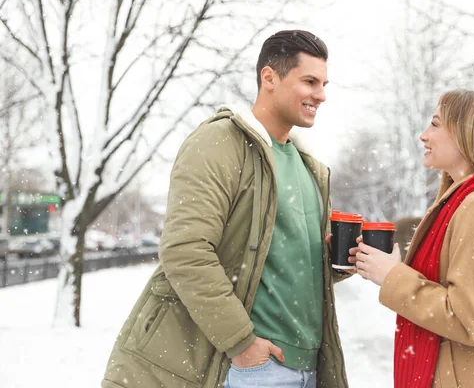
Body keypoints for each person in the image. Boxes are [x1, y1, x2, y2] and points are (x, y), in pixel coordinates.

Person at [101, 30, 350, 388]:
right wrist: (242, 344)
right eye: (309, 81)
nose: (321, 95)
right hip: (250, 369)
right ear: (269, 77)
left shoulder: (311, 167)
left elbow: (288, 264)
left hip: (307, 369)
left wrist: (341, 257)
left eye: (324, 84)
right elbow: (185, 250)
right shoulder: (219, 143)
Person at [350, 90, 474, 388]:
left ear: (469, 133)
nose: (423, 136)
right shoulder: (462, 202)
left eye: (436, 124)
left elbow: (470, 321)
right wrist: (387, 267)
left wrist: (393, 276)